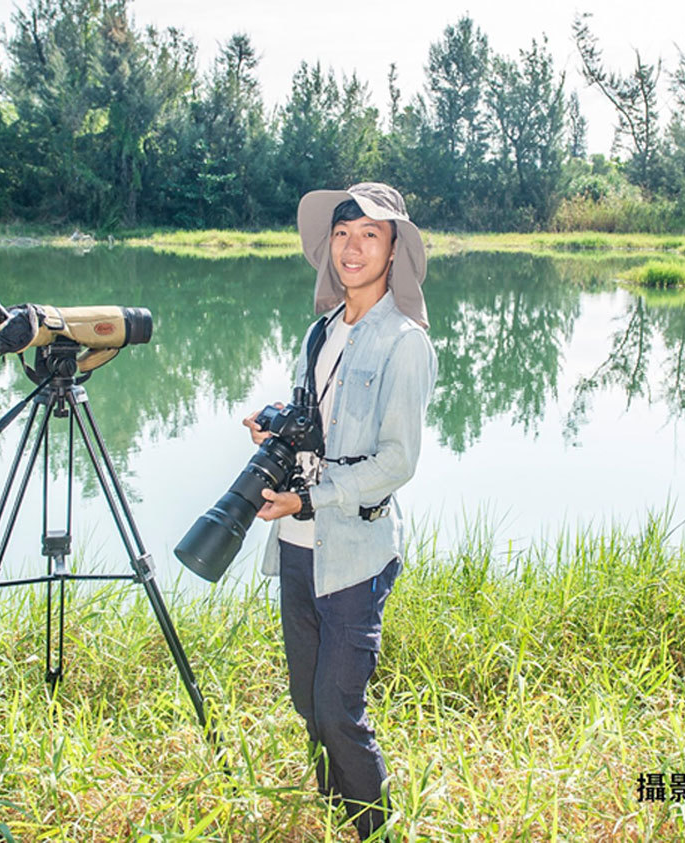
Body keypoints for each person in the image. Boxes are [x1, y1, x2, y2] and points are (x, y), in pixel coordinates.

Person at [244, 182, 437, 840]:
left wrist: (312, 496)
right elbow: (319, 422)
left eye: (370, 236)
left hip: (355, 551)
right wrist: (278, 426)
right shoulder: (321, 330)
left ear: (393, 252)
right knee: (307, 701)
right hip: (296, 544)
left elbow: (396, 462)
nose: (353, 247)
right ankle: (338, 816)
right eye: (343, 233)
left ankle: (375, 829)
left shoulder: (405, 343)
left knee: (337, 708)